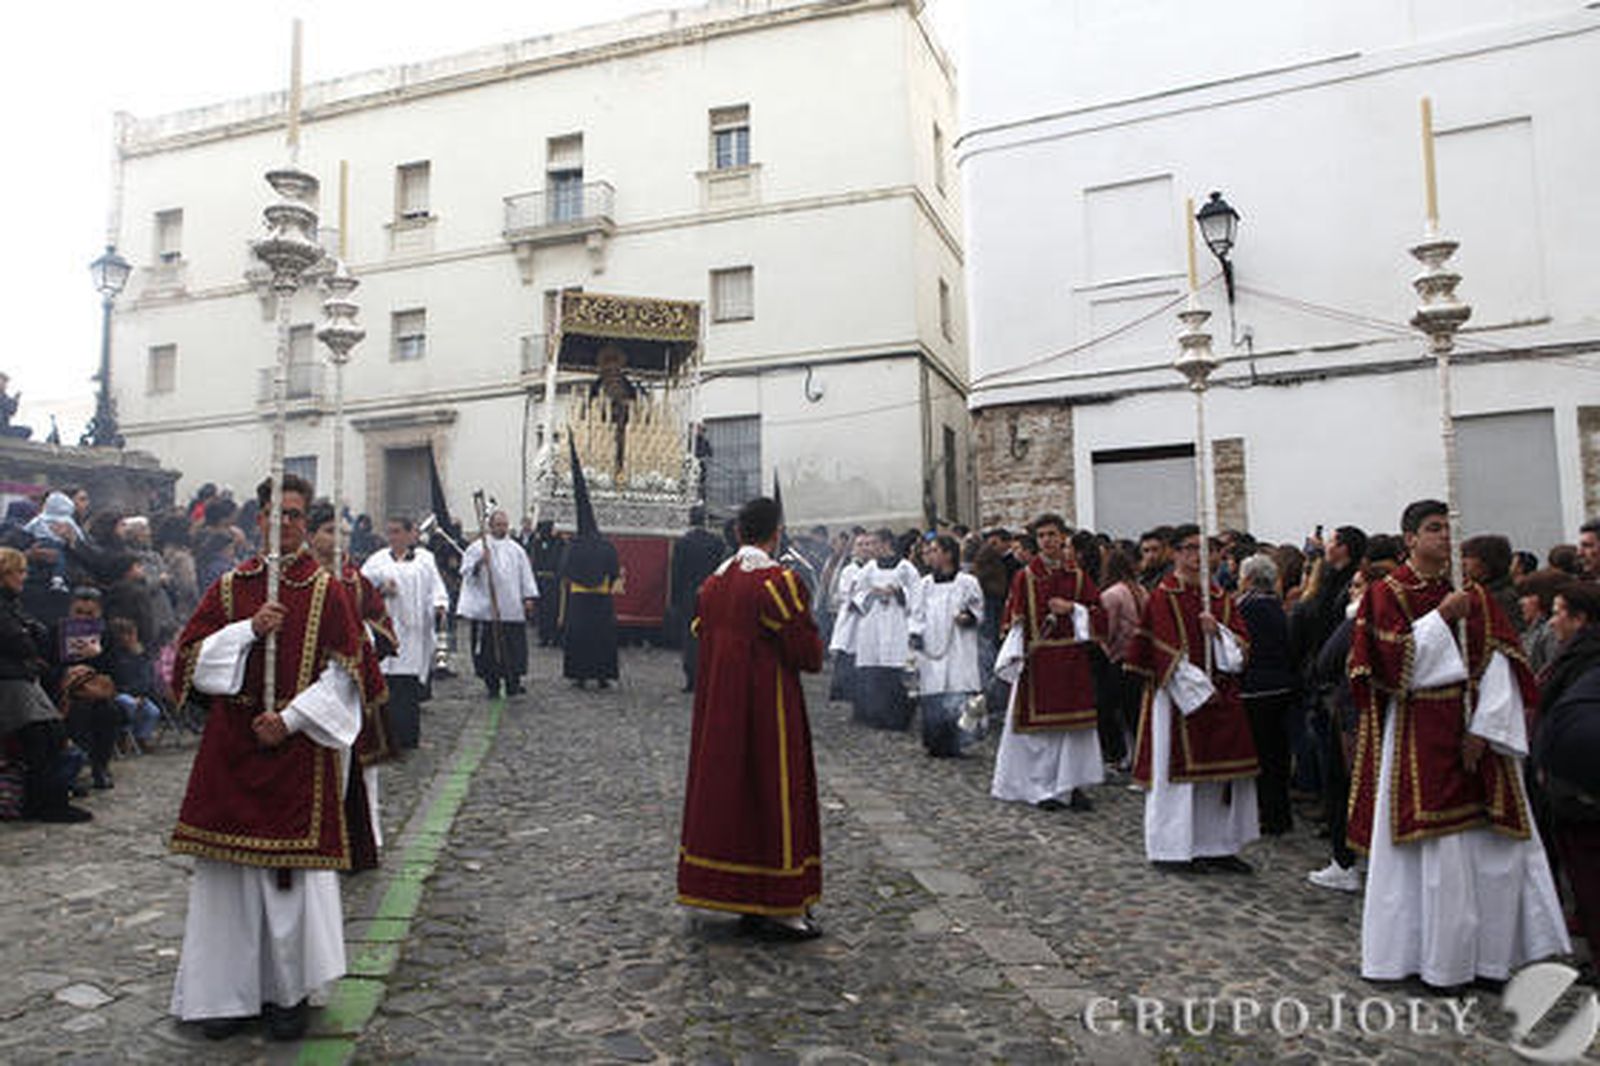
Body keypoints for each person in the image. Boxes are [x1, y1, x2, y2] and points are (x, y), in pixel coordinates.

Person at [167, 474, 370, 1040]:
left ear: (305, 521)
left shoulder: (328, 590)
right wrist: (246, 632)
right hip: (232, 747)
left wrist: (291, 719)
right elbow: (189, 660)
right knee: (226, 883)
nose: (284, 523)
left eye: (295, 514)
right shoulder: (231, 587)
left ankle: (288, 993)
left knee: (290, 885)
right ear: (258, 519)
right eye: (275, 513)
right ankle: (225, 994)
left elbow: (348, 675)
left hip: (295, 750)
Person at [1346, 499, 1568, 989]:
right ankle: (1433, 962)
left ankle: (1488, 961)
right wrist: (1441, 618)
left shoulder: (1474, 595)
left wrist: (1484, 730)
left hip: (1477, 736)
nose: (1444, 537)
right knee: (1436, 857)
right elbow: (1390, 667)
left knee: (1491, 853)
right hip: (1418, 732)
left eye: (1447, 529)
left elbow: (1501, 662)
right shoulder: (1387, 593)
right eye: (1433, 529)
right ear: (1409, 539)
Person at [677, 496, 824, 939]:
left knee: (730, 795)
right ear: (775, 534)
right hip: (768, 707)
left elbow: (700, 635)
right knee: (775, 792)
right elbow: (807, 653)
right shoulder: (777, 583)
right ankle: (782, 905)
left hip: (719, 710)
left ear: (739, 533)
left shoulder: (713, 586)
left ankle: (734, 892)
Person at [1126, 523, 1260, 872]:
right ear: (1175, 553)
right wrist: (1198, 690)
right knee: (1177, 775)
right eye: (1190, 549)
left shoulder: (1219, 597)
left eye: (1206, 550)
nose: (1198, 556)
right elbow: (1162, 649)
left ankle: (1216, 845)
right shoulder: (1163, 596)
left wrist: (1218, 632)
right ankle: (1172, 849)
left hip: (1222, 691)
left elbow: (1241, 647)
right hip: (1178, 698)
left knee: (1218, 776)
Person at [991, 514, 1106, 811]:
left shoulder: (1077, 576)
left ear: (1063, 537)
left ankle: (1071, 784)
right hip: (1038, 662)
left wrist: (1073, 609)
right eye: (1041, 536)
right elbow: (1011, 617)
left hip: (1072, 661)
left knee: (1073, 730)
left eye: (1052, 534)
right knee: (1042, 733)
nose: (1047, 541)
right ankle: (1042, 787)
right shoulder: (1025, 577)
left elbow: (1099, 614)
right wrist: (1015, 633)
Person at [306, 502, 397, 871]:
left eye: (342, 532)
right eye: (329, 531)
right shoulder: (301, 578)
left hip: (350, 687)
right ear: (312, 535)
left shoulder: (352, 580)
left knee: (359, 769)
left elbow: (380, 623)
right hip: (308, 687)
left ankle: (364, 841)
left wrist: (363, 639)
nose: (337, 539)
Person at [1529, 580, 1600, 980]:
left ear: (1580, 619)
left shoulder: (1585, 659)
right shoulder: (1573, 654)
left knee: (1589, 870)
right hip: (1566, 774)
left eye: (1558, 613)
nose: (1553, 621)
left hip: (1579, 779)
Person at [0, 547, 92, 822]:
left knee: (50, 735)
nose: (24, 577)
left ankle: (46, 800)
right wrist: (31, 637)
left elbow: (34, 638)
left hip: (20, 677)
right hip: (9, 681)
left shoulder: (11, 605)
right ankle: (46, 803)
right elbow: (22, 643)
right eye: (19, 571)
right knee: (42, 736)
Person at [362, 516, 449, 744]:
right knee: (387, 683)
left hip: (414, 633)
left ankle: (408, 737)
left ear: (411, 534)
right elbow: (361, 589)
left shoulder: (424, 560)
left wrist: (439, 605)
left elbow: (435, 587)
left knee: (408, 686)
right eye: (390, 532)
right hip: (387, 630)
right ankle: (386, 737)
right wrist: (381, 589)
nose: (393, 537)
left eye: (398, 532)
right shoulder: (376, 561)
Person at [1236, 553, 1296, 835]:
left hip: (1255, 688)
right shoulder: (1277, 606)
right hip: (1280, 685)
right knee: (1277, 754)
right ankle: (1279, 813)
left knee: (1261, 755)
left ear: (1248, 579)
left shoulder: (1246, 607)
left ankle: (1266, 813)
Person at [909, 534, 984, 757]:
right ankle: (935, 742)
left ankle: (959, 742)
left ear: (948, 554)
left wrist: (968, 617)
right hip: (932, 649)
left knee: (958, 692)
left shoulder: (967, 582)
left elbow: (978, 609)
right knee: (934, 693)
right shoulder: (925, 584)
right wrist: (916, 635)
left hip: (959, 646)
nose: (929, 555)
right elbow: (916, 614)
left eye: (934, 550)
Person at [845, 528, 920, 730]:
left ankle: (897, 718)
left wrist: (898, 592)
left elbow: (917, 596)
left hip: (897, 623)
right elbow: (856, 594)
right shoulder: (869, 568)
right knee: (873, 668)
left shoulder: (906, 568)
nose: (870, 548)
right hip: (873, 623)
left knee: (896, 668)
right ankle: (874, 715)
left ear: (886, 544)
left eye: (874, 543)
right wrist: (873, 592)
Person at [560, 443, 622, 689]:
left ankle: (580, 675)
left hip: (579, 599)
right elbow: (614, 571)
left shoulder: (573, 546)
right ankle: (603, 675)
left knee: (580, 637)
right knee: (602, 637)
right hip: (601, 598)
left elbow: (565, 570)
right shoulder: (606, 545)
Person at [459, 510, 539, 699]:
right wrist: (480, 562)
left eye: (505, 525)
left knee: (512, 649)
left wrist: (528, 597)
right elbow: (466, 572)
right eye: (498, 525)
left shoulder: (516, 550)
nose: (502, 528)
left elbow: (525, 574)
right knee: (488, 650)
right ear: (490, 526)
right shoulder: (478, 547)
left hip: (511, 607)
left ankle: (513, 682)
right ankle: (492, 684)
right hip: (487, 609)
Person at [670, 508, 726, 693]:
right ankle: (708, 675)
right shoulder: (717, 543)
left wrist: (674, 599)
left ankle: (691, 677)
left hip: (688, 596)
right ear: (705, 521)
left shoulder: (683, 543)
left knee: (689, 636)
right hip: (712, 594)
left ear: (690, 520)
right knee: (709, 635)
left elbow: (676, 574)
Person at [825, 531, 871, 704]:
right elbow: (846, 593)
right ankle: (842, 694)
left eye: (867, 544)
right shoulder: (848, 570)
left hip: (869, 620)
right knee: (847, 656)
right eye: (860, 545)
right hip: (851, 619)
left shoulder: (875, 568)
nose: (864, 548)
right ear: (854, 549)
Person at [529, 520, 565, 647]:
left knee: (554, 610)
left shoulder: (559, 543)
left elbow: (560, 560)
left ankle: (555, 637)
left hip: (554, 581)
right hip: (541, 581)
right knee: (542, 611)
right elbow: (535, 561)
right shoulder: (538, 543)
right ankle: (544, 636)